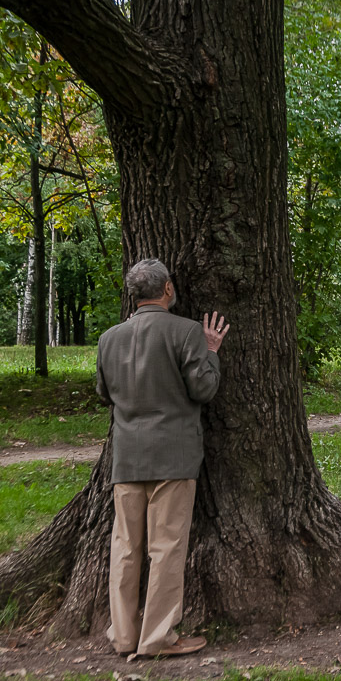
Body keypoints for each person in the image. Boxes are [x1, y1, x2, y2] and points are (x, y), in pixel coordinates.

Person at [97, 259, 230, 658]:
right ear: (168, 289)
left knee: (124, 547)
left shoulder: (108, 339)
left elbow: (104, 393)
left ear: (133, 295)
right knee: (167, 547)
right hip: (174, 456)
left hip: (127, 458)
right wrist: (211, 351)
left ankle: (123, 635)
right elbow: (203, 388)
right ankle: (156, 638)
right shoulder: (186, 332)